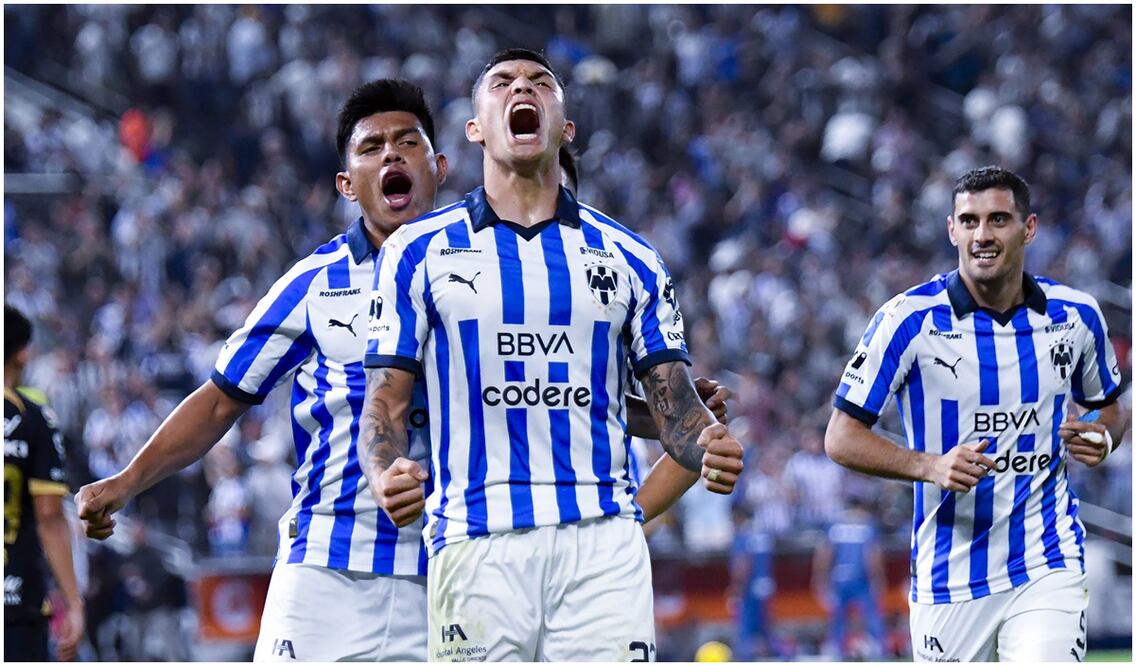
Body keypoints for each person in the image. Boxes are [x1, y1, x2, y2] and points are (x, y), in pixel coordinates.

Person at [76, 79, 727, 662]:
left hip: (444, 574)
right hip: (326, 568)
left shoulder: (490, 278)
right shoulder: (315, 284)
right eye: (371, 148)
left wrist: (670, 416)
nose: (391, 156)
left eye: (407, 143)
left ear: (439, 168)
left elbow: (552, 396)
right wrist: (128, 480)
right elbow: (221, 400)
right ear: (346, 184)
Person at [360, 49, 745, 661]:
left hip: (602, 546)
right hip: (473, 541)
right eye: (503, 82)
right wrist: (385, 471)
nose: (524, 88)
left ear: (564, 127)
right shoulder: (415, 252)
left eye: (542, 83)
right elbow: (385, 400)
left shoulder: (630, 258)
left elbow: (674, 405)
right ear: (475, 127)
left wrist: (709, 444)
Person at [824, 165, 1128, 662]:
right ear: (951, 230)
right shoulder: (907, 320)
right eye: (969, 221)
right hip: (950, 576)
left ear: (1027, 228)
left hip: (1045, 559)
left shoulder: (1075, 316)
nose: (982, 235)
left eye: (998, 219)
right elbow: (840, 436)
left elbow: (1110, 408)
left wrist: (1104, 437)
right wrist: (929, 465)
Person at [5, 304, 85, 661]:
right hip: (16, 600)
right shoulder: (33, 419)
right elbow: (50, 518)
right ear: (23, 352)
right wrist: (73, 602)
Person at [811, 494, 887, 660]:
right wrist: (878, 579)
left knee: (837, 618)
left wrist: (820, 579)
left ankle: (835, 652)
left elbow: (825, 554)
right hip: (861, 578)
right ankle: (879, 651)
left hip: (839, 577)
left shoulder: (834, 524)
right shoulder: (867, 524)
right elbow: (872, 556)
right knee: (872, 616)